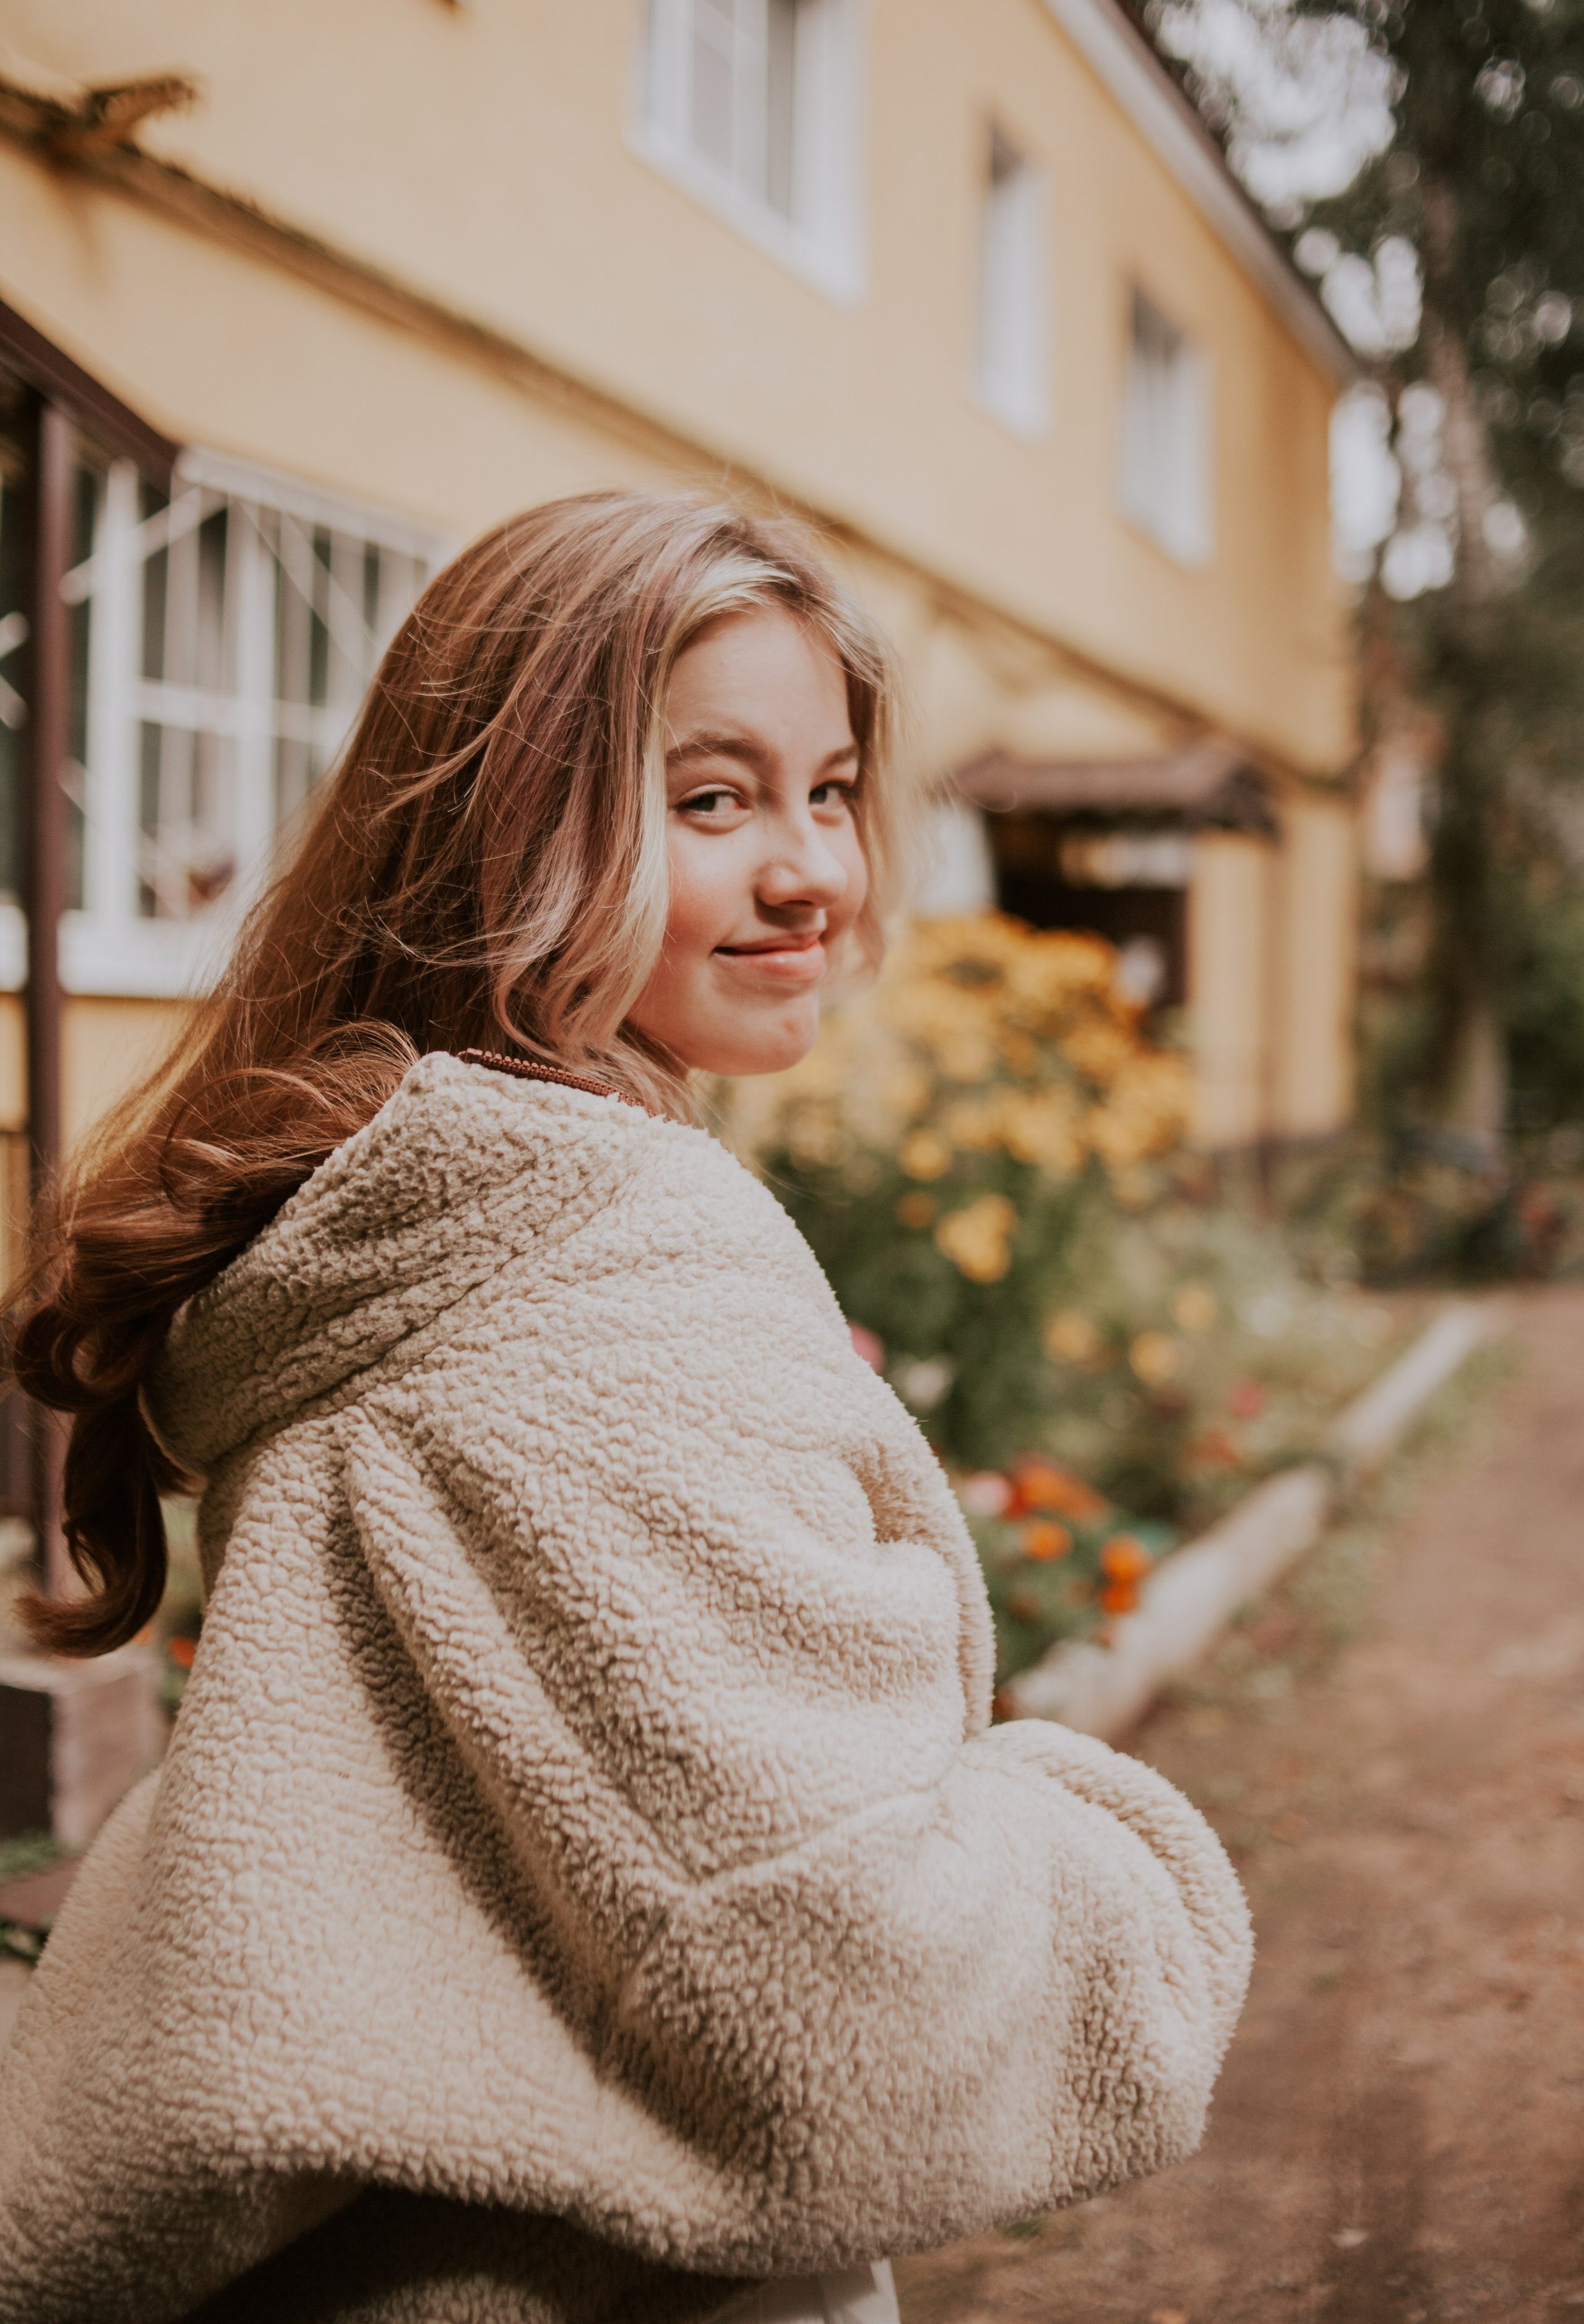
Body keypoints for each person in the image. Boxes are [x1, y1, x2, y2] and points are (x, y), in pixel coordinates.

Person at [0, 494, 1252, 2323]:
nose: (818, 869)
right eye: (713, 798)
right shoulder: (603, 1267)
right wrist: (1131, 1875)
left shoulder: (426, 1223)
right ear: (502, 837)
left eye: (830, 789)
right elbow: (833, 1986)